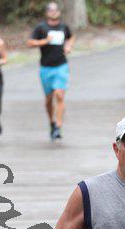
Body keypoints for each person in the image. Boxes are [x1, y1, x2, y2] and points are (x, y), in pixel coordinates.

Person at [28, 2, 74, 140]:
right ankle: (52, 122)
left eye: (55, 10)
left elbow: (71, 37)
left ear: (59, 12)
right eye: (50, 10)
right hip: (46, 68)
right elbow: (30, 42)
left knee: (59, 95)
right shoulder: (41, 27)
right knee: (49, 99)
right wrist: (44, 41)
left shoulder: (64, 27)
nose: (53, 12)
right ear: (47, 12)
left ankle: (58, 127)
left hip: (61, 66)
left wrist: (68, 46)